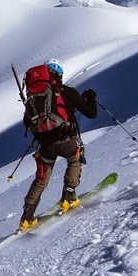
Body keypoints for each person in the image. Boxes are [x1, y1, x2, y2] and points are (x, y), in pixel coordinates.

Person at [19, 60, 98, 230]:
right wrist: (90, 97)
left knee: (41, 180)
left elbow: (28, 122)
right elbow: (91, 113)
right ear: (59, 76)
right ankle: (68, 196)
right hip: (65, 140)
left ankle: (26, 217)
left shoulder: (33, 99)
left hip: (45, 145)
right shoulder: (66, 92)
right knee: (74, 159)